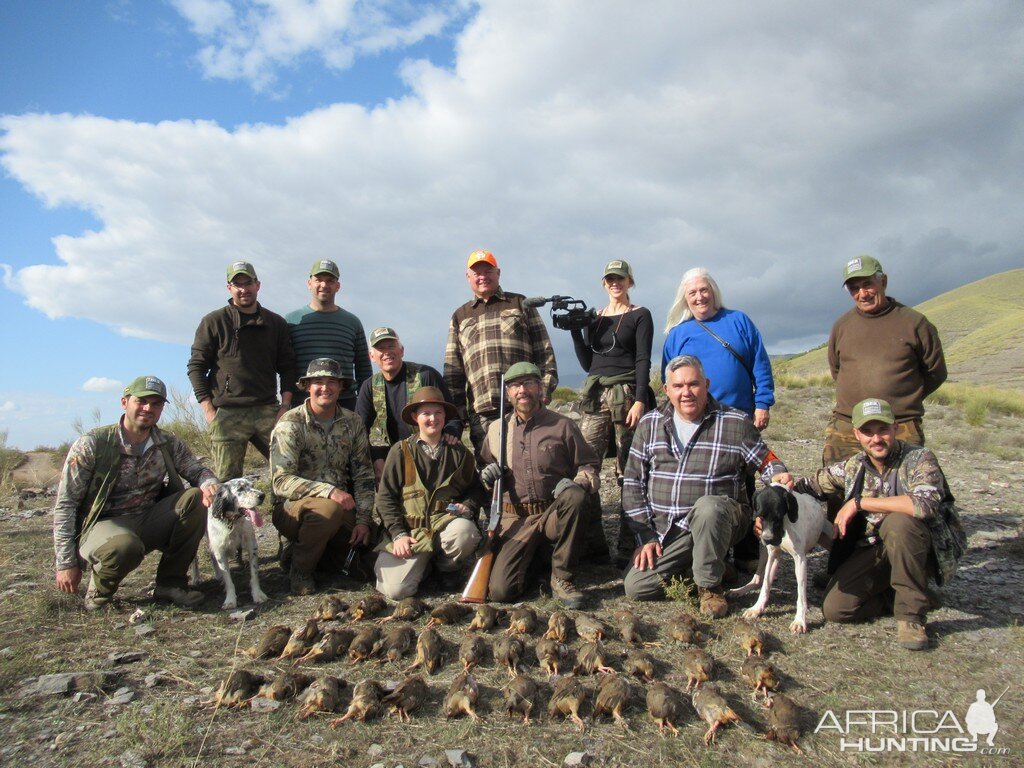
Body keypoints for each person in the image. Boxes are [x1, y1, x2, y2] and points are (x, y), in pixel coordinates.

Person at [622, 355, 792, 617]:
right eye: (678, 386)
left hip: (721, 519)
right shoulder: (650, 423)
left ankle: (710, 587)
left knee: (708, 507)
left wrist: (778, 477)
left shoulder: (734, 422)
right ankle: (716, 568)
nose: (686, 393)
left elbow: (768, 461)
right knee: (637, 587)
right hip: (670, 528)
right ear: (666, 390)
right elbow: (633, 481)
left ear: (707, 384)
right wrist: (645, 535)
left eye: (694, 384)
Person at [792, 397, 964, 651]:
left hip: (921, 548)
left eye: (883, 429)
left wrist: (859, 503)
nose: (876, 439)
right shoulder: (854, 466)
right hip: (877, 549)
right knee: (836, 609)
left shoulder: (920, 459)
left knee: (900, 523)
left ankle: (911, 616)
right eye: (867, 432)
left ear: (895, 428)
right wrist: (779, 490)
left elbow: (924, 505)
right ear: (857, 434)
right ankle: (896, 595)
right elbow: (812, 484)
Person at [53, 376, 218, 610]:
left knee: (195, 499)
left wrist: (209, 483)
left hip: (148, 518)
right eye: (141, 401)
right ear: (124, 402)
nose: (148, 408)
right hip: (103, 525)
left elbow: (197, 470)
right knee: (125, 546)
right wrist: (66, 563)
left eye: (156, 404)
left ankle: (171, 584)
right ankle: (99, 592)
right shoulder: (92, 444)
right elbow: (66, 504)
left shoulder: (167, 442)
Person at [480, 362, 599, 608]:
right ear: (508, 392)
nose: (522, 390)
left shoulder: (563, 425)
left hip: (551, 515)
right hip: (514, 520)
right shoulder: (496, 430)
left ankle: (562, 578)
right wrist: (486, 476)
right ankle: (538, 559)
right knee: (502, 592)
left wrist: (577, 482)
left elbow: (589, 466)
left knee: (575, 497)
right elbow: (482, 473)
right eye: (514, 385)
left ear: (539, 387)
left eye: (528, 383)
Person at [570, 259, 654, 565]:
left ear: (630, 281)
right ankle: (594, 544)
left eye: (620, 278)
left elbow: (643, 358)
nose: (614, 283)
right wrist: (577, 332)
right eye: (609, 279)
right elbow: (588, 363)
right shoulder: (596, 318)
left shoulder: (640, 315)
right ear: (603, 284)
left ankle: (628, 543)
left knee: (628, 471)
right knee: (586, 467)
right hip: (596, 395)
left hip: (627, 393)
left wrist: (641, 399)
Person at [824, 255, 947, 465]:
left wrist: (904, 399)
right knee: (835, 488)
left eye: (867, 284)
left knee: (901, 487)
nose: (862, 294)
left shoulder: (915, 323)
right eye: (854, 288)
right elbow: (837, 370)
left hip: (899, 424)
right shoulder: (842, 326)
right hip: (848, 423)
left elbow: (936, 372)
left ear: (883, 281)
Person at [269, 358, 376, 595]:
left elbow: (364, 474)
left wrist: (363, 520)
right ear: (307, 386)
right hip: (292, 508)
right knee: (328, 511)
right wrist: (328, 491)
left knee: (376, 542)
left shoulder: (353, 422)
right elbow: (280, 481)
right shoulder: (290, 423)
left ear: (341, 387)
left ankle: (311, 555)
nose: (325, 388)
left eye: (331, 382)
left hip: (341, 506)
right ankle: (300, 571)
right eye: (318, 382)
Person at [187, 260, 297, 481]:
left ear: (258, 285)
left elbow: (288, 367)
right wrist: (209, 411)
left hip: (267, 409)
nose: (244, 289)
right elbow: (196, 367)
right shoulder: (213, 321)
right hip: (227, 412)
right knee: (228, 483)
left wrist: (285, 406)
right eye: (238, 284)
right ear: (229, 288)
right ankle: (231, 517)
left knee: (291, 471)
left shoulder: (275, 323)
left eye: (248, 283)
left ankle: (287, 515)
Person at [372, 386, 486, 599]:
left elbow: (476, 488)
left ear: (445, 417)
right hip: (410, 533)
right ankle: (424, 567)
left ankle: (447, 568)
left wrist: (468, 506)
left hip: (444, 525)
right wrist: (398, 534)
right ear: (415, 418)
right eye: (426, 413)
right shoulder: (400, 451)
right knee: (396, 591)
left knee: (465, 533)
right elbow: (385, 498)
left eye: (438, 413)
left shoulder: (459, 452)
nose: (432, 419)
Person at [444, 249, 558, 456]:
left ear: (498, 273)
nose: (482, 277)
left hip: (525, 404)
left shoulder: (520, 304)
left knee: (531, 464)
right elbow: (453, 373)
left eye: (488, 271)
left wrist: (544, 391)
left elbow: (545, 353)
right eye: (476, 273)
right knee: (492, 474)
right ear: (468, 277)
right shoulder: (460, 316)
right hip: (483, 412)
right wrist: (456, 414)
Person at [662, 267, 774, 429]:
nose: (699, 297)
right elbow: (669, 380)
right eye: (692, 293)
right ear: (685, 299)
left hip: (739, 415)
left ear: (713, 291)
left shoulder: (738, 320)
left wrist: (762, 404)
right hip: (694, 421)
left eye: (704, 290)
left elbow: (760, 365)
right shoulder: (677, 334)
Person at [355, 326, 462, 482]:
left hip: (428, 453)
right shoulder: (369, 386)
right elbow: (359, 430)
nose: (387, 352)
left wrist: (451, 435)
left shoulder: (426, 375)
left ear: (401, 350)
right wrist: (375, 458)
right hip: (390, 459)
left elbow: (452, 418)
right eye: (380, 348)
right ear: (371, 356)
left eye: (391, 346)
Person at [286, 259, 372, 412]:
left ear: (337, 286)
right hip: (301, 403)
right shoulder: (291, 321)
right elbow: (284, 366)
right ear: (309, 283)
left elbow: (363, 369)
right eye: (318, 280)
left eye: (330, 280)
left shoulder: (352, 322)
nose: (324, 285)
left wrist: (364, 404)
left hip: (345, 404)